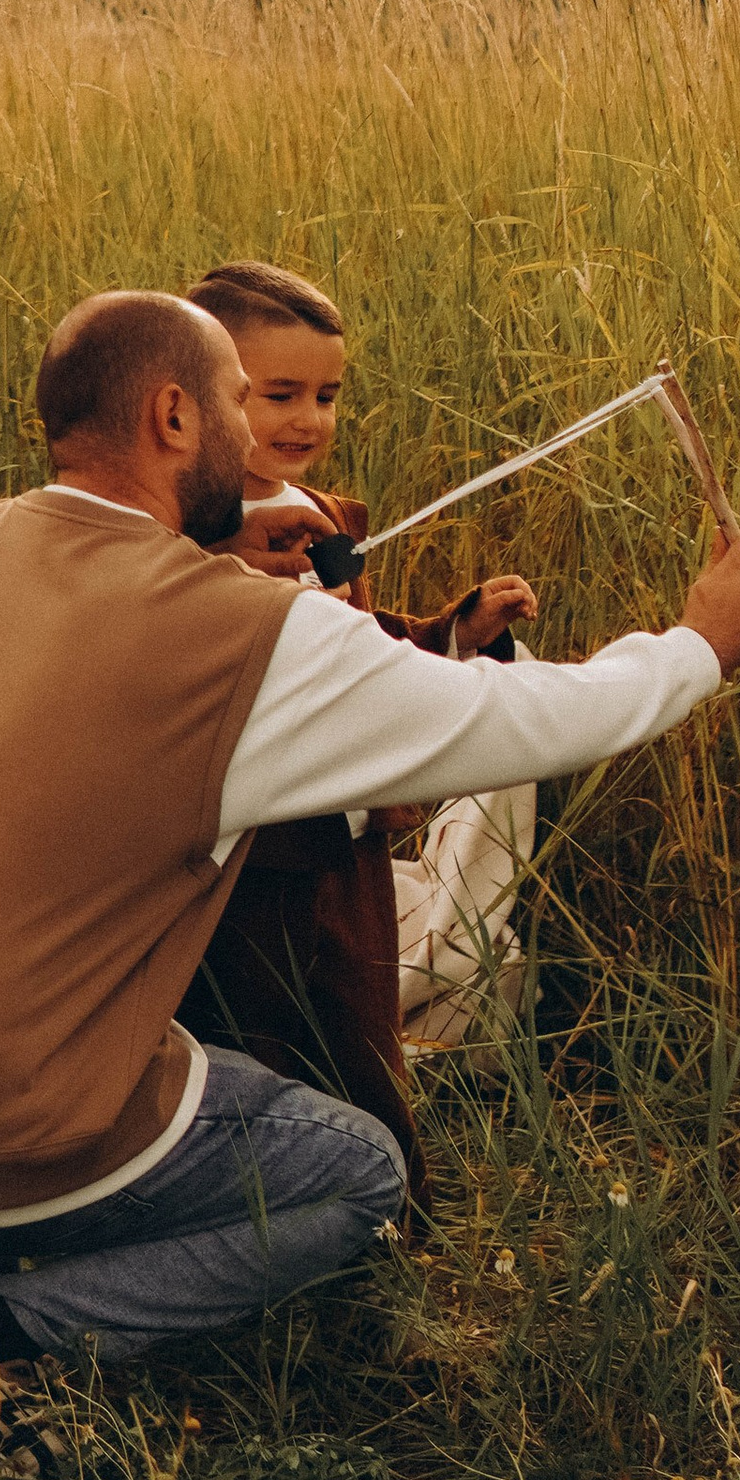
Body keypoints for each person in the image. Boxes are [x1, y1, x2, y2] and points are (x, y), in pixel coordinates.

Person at [0, 289, 740, 1475]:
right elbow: (525, 718)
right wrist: (698, 645)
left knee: (177, 1061)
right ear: (172, 415)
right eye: (241, 402)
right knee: (356, 1172)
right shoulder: (247, 639)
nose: (257, 435)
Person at [175, 261, 539, 1194]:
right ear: (198, 398)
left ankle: (388, 1209)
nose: (309, 419)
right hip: (250, 850)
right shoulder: (179, 533)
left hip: (349, 844)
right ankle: (268, 1203)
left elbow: (365, 652)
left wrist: (453, 634)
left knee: (360, 1023)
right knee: (255, 1034)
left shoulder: (324, 520)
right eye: (278, 395)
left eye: (328, 396)